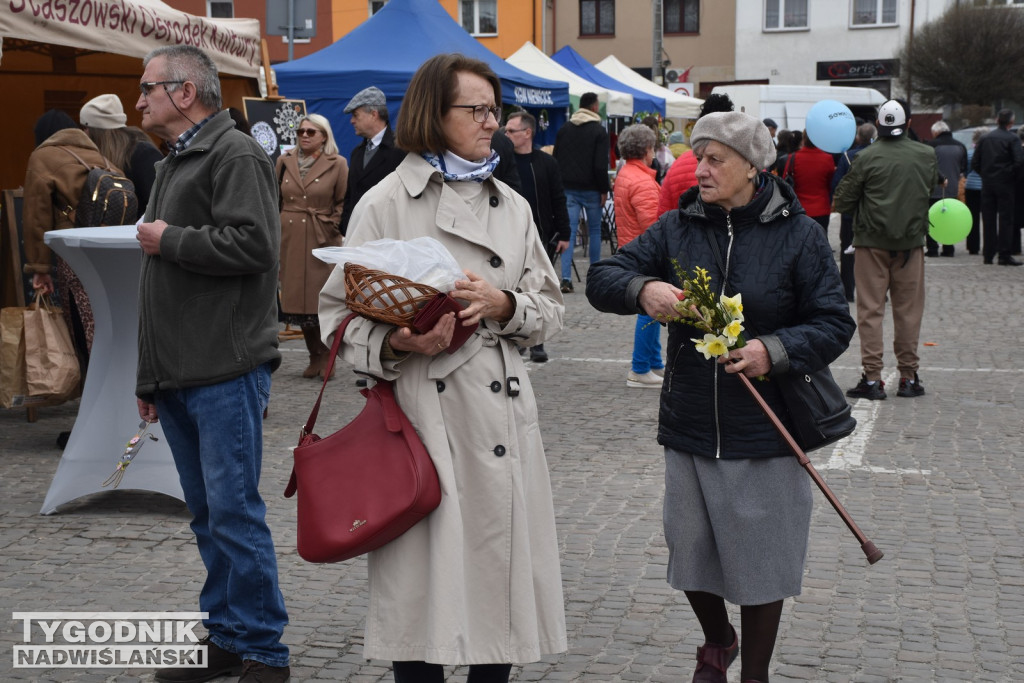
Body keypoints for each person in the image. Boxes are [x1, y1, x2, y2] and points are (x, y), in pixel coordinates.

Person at [318, 53, 567, 683]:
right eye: (476, 110)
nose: (492, 123)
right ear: (435, 113)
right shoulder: (383, 203)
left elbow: (550, 307)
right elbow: (335, 320)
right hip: (427, 423)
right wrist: (401, 344)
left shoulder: (511, 203)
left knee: (500, 594)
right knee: (422, 598)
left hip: (505, 419)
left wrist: (504, 303)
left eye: (495, 110)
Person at [586, 111, 854, 683]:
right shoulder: (679, 227)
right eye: (697, 157)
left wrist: (772, 351)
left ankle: (754, 674)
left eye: (714, 160)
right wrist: (643, 289)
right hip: (690, 421)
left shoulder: (799, 235)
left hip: (766, 425)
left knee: (762, 559)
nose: (699, 170)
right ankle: (718, 639)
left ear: (753, 169)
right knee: (690, 550)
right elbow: (602, 278)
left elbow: (833, 322)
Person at [132, 45, 290, 683]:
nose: (138, 99)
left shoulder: (234, 153)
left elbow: (255, 245)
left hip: (224, 367)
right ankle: (227, 636)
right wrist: (150, 376)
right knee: (208, 514)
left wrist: (168, 239)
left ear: (184, 91)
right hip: (182, 371)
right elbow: (160, 288)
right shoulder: (179, 158)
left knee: (233, 512)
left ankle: (261, 652)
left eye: (147, 88)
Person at [834, 99, 939, 400]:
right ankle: (908, 376)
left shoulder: (865, 157)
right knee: (909, 312)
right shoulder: (926, 155)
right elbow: (931, 188)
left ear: (878, 125)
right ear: (908, 125)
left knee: (870, 311)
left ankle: (872, 378)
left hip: (871, 243)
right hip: (910, 244)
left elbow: (842, 201)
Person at [22, 108, 115, 364]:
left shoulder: (42, 157)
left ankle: (95, 390)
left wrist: (40, 268)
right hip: (112, 254)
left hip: (74, 255)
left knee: (82, 325)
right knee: (109, 324)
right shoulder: (100, 157)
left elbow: (36, 216)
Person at [276, 113, 348, 380]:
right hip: (291, 237)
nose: (304, 136)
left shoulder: (338, 163)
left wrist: (332, 223)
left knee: (321, 300)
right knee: (297, 302)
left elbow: (342, 200)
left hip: (321, 236)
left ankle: (327, 356)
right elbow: (276, 197)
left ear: (324, 136)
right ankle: (313, 354)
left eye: (311, 132)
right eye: (301, 131)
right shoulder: (284, 161)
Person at [507, 109, 570, 363]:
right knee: (514, 288)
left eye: (511, 130)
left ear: (527, 132)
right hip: (510, 235)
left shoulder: (546, 162)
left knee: (538, 289)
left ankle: (537, 342)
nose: (507, 134)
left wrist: (564, 232)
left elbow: (558, 197)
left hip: (542, 235)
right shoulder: (503, 161)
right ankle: (519, 337)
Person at [612, 123, 665, 388]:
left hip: (631, 246)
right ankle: (640, 367)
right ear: (646, 149)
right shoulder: (642, 181)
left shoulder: (626, 173)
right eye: (653, 147)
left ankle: (653, 362)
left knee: (650, 310)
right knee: (650, 308)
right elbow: (653, 225)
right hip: (644, 251)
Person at [553, 91, 610, 293]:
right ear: (594, 107)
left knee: (567, 231)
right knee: (594, 231)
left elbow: (556, 158)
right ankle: (594, 277)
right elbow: (600, 165)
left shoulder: (565, 128)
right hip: (592, 188)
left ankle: (566, 278)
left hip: (568, 188)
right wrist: (604, 189)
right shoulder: (598, 131)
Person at [339, 86, 406, 236]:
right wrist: (345, 225)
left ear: (374, 114)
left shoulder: (401, 150)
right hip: (357, 233)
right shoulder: (357, 152)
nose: (352, 121)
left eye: (356, 115)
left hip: (386, 235)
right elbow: (350, 194)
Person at [79, 93, 164, 208]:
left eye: (85, 128)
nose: (83, 133)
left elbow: (159, 202)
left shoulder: (143, 153)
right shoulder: (93, 156)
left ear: (95, 131)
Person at [658, 93, 735, 216]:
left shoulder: (677, 164)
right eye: (700, 159)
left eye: (714, 159)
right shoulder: (744, 163)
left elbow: (663, 216)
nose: (700, 172)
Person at [830, 122, 877, 302]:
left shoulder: (847, 157)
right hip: (873, 212)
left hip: (851, 213)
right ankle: (876, 291)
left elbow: (837, 183)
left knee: (847, 251)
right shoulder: (877, 155)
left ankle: (847, 291)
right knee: (875, 252)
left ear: (858, 138)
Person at [972, 108, 1024, 265]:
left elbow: (975, 162)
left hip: (988, 183)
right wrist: (1009, 175)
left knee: (988, 219)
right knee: (1005, 219)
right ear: (1011, 122)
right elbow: (1019, 162)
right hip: (1005, 183)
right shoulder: (1013, 139)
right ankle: (1004, 254)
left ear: (996, 120)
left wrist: (986, 174)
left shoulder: (985, 138)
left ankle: (988, 254)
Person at [925, 120, 968, 258]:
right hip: (952, 189)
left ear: (936, 132)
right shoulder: (961, 146)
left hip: (932, 189)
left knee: (931, 218)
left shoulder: (930, 146)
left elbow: (927, 167)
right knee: (949, 218)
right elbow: (963, 168)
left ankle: (932, 249)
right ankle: (949, 248)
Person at [781, 133, 835, 232]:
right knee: (821, 240)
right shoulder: (828, 158)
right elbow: (831, 183)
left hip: (799, 208)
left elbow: (785, 182)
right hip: (821, 208)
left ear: (804, 140)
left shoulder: (793, 158)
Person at [964, 127, 988, 255]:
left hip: (971, 187)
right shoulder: (990, 153)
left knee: (972, 218)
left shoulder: (970, 153)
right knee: (988, 218)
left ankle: (973, 247)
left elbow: (967, 170)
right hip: (986, 187)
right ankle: (989, 245)